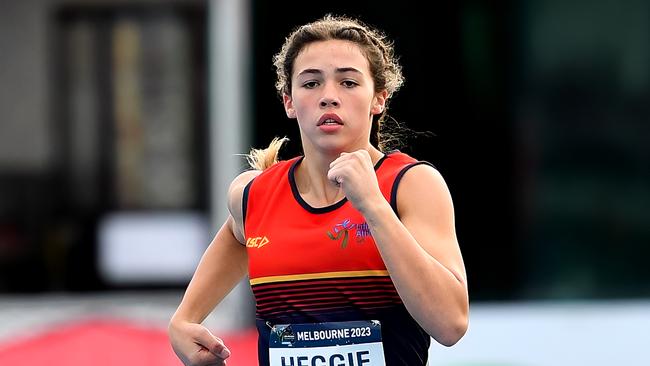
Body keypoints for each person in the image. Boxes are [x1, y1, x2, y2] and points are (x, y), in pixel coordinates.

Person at [168, 14, 469, 366]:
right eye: (311, 84)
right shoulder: (252, 196)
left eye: (348, 83)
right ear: (289, 102)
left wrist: (372, 205)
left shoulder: (410, 185)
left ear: (379, 99)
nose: (329, 97)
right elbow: (239, 238)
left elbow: (451, 325)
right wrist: (182, 324)